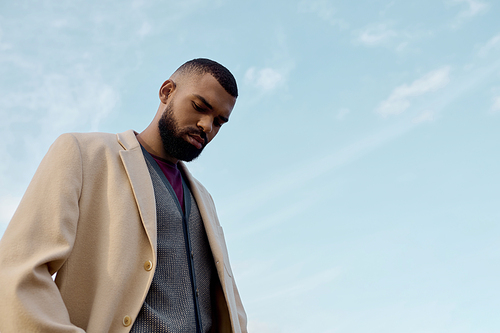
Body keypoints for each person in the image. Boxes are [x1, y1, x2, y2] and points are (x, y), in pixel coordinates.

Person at [0, 58, 247, 333]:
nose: (206, 125)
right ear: (167, 92)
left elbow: (229, 304)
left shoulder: (205, 200)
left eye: (219, 122)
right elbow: (19, 272)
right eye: (200, 107)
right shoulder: (84, 154)